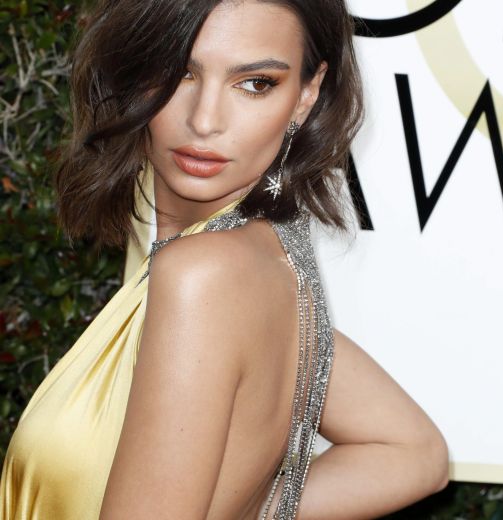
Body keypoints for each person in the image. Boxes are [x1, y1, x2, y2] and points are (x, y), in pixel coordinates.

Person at [0, 0, 449, 518]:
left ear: (306, 94)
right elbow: (413, 452)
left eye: (255, 83)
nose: (204, 120)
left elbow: (417, 456)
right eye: (178, 72)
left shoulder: (203, 276)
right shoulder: (259, 267)